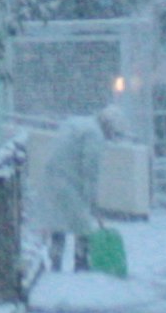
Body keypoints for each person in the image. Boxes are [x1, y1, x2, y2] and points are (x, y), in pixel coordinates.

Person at [28, 106, 108, 278]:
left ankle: (55, 263)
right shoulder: (94, 134)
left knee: (58, 223)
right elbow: (90, 170)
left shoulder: (76, 123)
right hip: (69, 183)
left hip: (52, 179)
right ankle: (81, 263)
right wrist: (92, 200)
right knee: (83, 226)